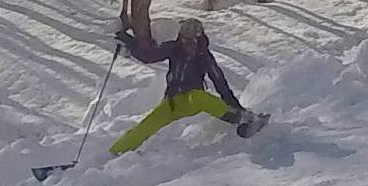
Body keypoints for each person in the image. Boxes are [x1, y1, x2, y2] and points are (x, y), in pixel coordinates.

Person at [110, 18, 263, 155]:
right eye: (184, 40)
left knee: (200, 97)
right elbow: (148, 56)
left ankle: (242, 119)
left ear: (199, 39)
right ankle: (117, 150)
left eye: (192, 41)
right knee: (146, 125)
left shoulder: (205, 57)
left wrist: (239, 109)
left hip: (192, 100)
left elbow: (220, 84)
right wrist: (127, 40)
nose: (187, 45)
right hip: (172, 102)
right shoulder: (173, 49)